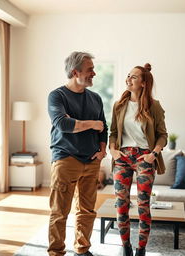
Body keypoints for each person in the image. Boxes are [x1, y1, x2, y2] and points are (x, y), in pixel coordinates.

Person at [47, 51, 108, 256]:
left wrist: (102, 150)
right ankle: (56, 252)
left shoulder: (96, 98)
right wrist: (92, 124)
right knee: (59, 211)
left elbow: (104, 128)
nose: (94, 73)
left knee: (87, 211)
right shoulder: (57, 96)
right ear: (75, 72)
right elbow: (63, 124)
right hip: (66, 160)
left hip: (91, 161)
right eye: (90, 69)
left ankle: (82, 250)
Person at [109, 63, 168, 256]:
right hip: (123, 157)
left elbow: (162, 135)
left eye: (133, 77)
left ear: (143, 83)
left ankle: (141, 249)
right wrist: (113, 151)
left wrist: (154, 154)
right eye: (128, 75)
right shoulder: (119, 105)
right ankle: (125, 246)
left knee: (143, 204)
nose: (128, 79)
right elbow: (113, 133)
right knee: (121, 203)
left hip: (145, 158)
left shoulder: (154, 106)